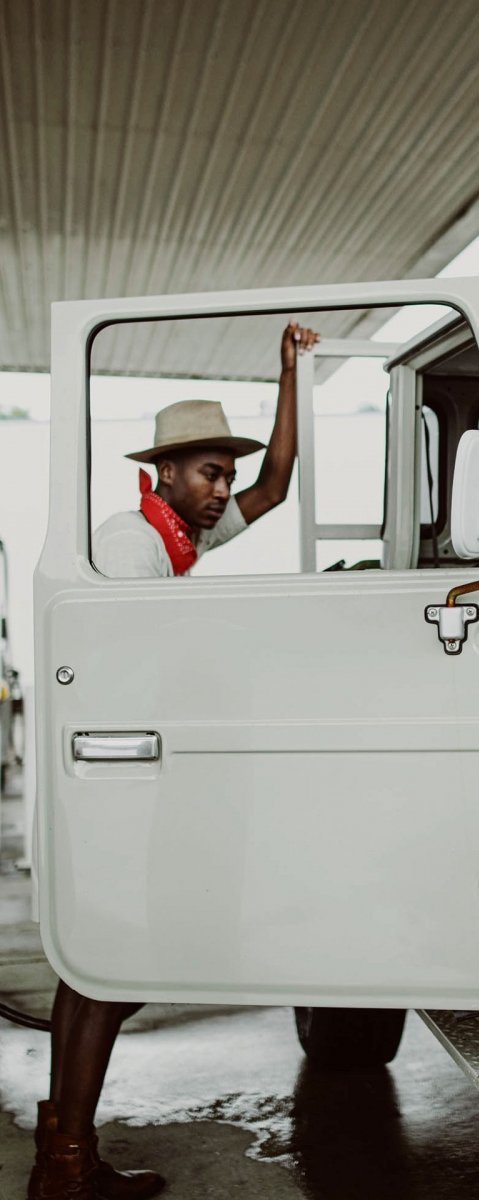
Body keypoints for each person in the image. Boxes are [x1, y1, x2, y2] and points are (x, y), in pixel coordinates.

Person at [29, 322, 319, 1200]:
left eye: (222, 474)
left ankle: (65, 1160)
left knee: (101, 971)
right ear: (162, 473)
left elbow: (276, 484)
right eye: (208, 473)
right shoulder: (132, 543)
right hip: (114, 788)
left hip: (126, 783)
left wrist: (291, 377)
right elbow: (126, 676)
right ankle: (67, 1167)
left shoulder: (180, 539)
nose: (222, 489)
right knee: (103, 972)